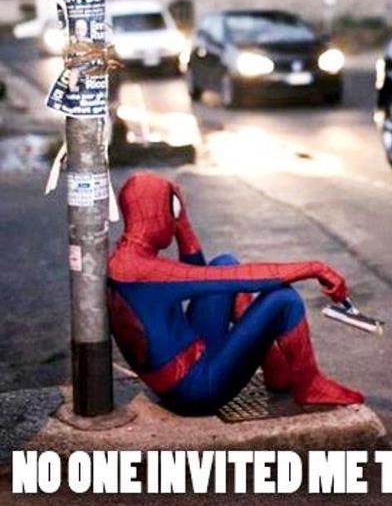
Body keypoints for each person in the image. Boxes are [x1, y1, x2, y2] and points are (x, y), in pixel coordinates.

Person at [107, 172, 363, 415]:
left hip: (184, 365)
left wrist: (182, 224)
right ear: (156, 213)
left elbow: (198, 274)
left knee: (224, 262)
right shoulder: (146, 271)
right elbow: (240, 278)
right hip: (196, 390)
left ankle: (276, 371)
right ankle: (310, 385)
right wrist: (315, 268)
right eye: (169, 211)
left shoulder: (124, 260)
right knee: (284, 300)